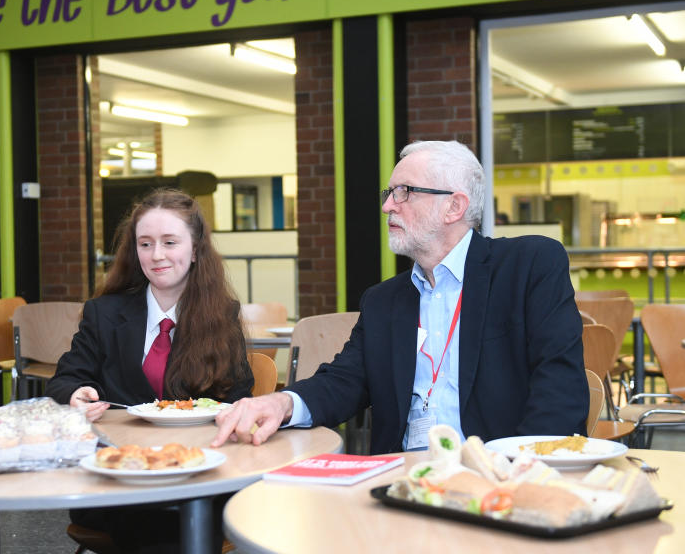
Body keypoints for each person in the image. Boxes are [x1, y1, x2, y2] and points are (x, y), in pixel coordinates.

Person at [213, 140, 587, 454]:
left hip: (500, 479)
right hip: (403, 483)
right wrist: (282, 402)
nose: (387, 205)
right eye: (389, 193)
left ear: (454, 206)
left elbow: (559, 389)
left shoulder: (528, 267)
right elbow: (344, 381)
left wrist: (514, 478)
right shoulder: (384, 300)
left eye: (404, 192)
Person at [46, 188, 253, 554]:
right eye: (145, 244)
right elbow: (65, 380)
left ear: (196, 249)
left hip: (197, 472)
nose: (156, 255)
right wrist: (75, 395)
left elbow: (239, 398)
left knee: (181, 515)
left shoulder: (222, 315)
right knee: (151, 521)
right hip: (120, 477)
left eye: (169, 242)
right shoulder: (104, 313)